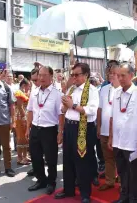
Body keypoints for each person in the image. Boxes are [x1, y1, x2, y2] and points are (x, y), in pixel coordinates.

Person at [55, 63, 99, 203]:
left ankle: (85, 194)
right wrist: (64, 106)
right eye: (72, 74)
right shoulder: (71, 89)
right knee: (67, 160)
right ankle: (68, 190)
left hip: (84, 129)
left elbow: (91, 110)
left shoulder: (92, 90)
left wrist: (72, 105)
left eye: (76, 75)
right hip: (69, 127)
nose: (73, 77)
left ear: (85, 75)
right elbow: (63, 110)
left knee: (82, 161)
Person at [109, 63, 137, 203]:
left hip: (133, 142)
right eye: (118, 75)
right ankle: (124, 196)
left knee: (134, 174)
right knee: (122, 172)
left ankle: (135, 199)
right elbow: (112, 117)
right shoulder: (116, 93)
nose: (120, 78)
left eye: (123, 75)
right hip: (118, 141)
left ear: (131, 76)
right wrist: (111, 137)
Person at [27, 66, 64, 195]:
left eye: (44, 75)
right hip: (35, 128)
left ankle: (51, 182)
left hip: (49, 130)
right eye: (39, 75)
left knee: (51, 158)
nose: (41, 78)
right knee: (36, 157)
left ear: (51, 76)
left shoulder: (57, 94)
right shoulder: (34, 92)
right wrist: (28, 128)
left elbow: (61, 114)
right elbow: (30, 110)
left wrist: (60, 132)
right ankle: (41, 180)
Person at [97, 63, 122, 191]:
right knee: (108, 158)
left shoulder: (125, 89)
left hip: (119, 132)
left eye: (114, 73)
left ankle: (123, 182)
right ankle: (109, 180)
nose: (111, 75)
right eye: (110, 73)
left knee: (121, 158)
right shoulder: (104, 89)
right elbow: (100, 109)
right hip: (105, 130)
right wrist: (99, 126)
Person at [15, 79, 31, 165]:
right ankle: (19, 158)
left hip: (24, 117)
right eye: (28, 86)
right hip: (21, 118)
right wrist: (24, 117)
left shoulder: (23, 93)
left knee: (25, 138)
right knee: (21, 138)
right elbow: (20, 106)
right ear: (24, 85)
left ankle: (25, 156)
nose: (29, 87)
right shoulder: (19, 93)